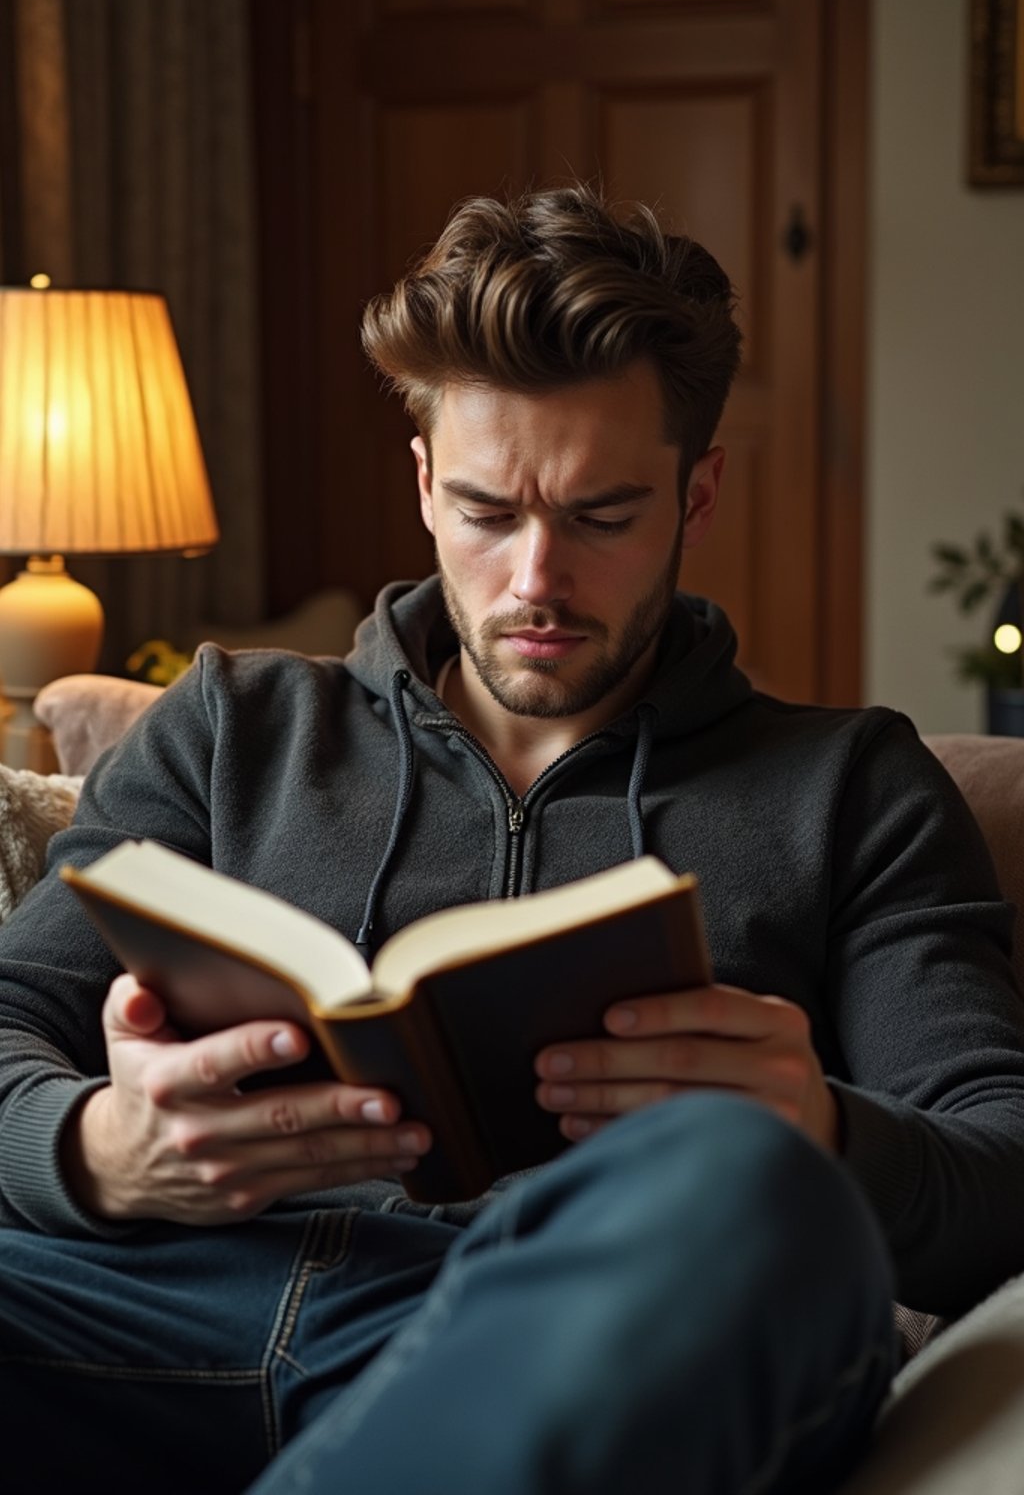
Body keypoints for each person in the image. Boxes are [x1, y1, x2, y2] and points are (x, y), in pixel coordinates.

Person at [2, 186, 1024, 1495]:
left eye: (602, 516)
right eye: (488, 512)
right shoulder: (231, 726)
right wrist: (94, 1151)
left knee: (763, 1196)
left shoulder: (849, 786)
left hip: (572, 1341)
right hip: (151, 1315)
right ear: (425, 485)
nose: (536, 581)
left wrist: (821, 1127)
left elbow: (1001, 1163)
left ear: (695, 495)